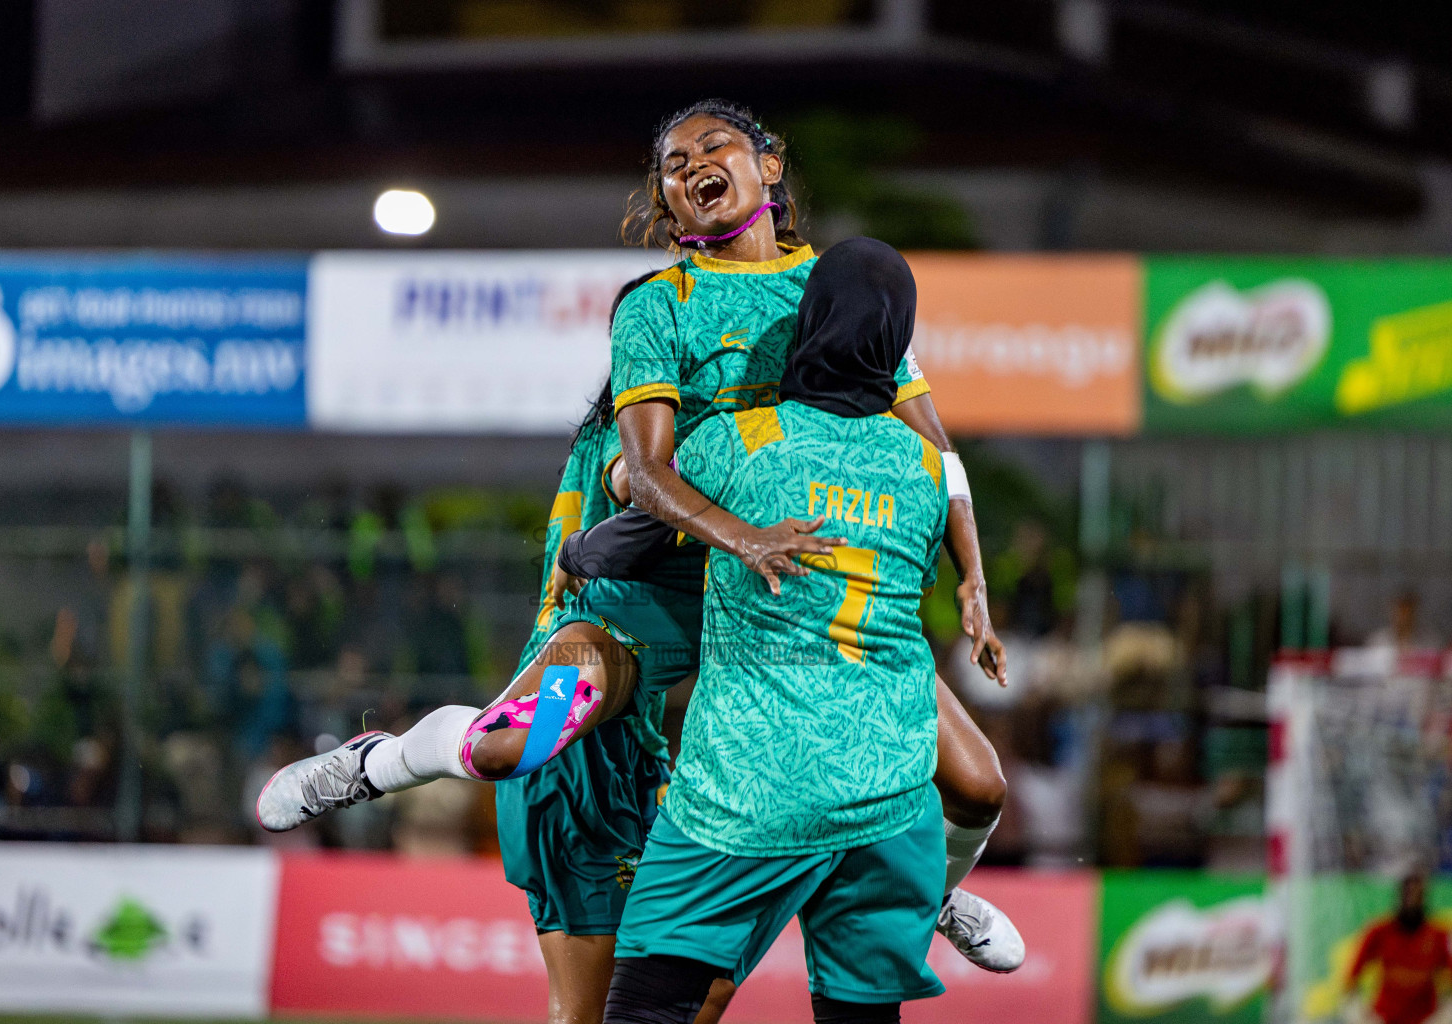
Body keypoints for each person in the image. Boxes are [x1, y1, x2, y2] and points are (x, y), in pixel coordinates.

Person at [256, 99, 1018, 972]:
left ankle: (930, 896)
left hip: (795, 601)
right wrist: (743, 538)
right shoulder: (658, 309)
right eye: (672, 160)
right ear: (667, 199)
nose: (693, 162)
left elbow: (933, 449)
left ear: (768, 166)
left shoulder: (836, 288)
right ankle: (377, 761)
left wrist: (972, 576)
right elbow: (642, 475)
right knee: (520, 743)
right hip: (664, 583)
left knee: (975, 783)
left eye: (715, 144)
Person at [599, 236, 962, 1024]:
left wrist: (610, 489)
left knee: (646, 1010)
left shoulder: (740, 441)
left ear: (809, 323)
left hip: (748, 789)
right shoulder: (926, 469)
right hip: (891, 791)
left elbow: (633, 511)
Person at [1345, 871, 1450, 1024]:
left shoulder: (1439, 935)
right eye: (1408, 894)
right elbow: (1351, 978)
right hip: (1384, 1017)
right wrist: (1363, 1015)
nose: (1412, 901)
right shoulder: (1379, 932)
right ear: (1400, 897)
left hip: (1425, 1018)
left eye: (1418, 895)